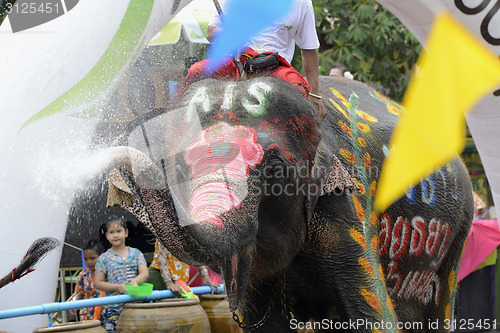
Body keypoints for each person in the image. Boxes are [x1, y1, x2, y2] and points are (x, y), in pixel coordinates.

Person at [184, 0, 326, 118]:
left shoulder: (301, 3)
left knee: (299, 90)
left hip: (274, 67)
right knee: (196, 71)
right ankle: (179, 122)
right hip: (236, 61)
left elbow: (308, 49)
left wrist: (315, 94)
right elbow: (210, 34)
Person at [95, 217, 149, 333]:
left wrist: (134, 282)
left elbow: (144, 273)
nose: (115, 235)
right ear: (107, 236)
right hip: (113, 308)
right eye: (111, 232)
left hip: (136, 305)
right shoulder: (103, 259)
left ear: (126, 233)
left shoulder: (136, 253)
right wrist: (118, 287)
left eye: (119, 231)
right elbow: (98, 283)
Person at [147, 239, 219, 294]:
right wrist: (169, 283)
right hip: (159, 277)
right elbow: (162, 258)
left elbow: (196, 253)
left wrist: (205, 276)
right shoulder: (166, 229)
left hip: (179, 280)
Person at [69, 240, 103, 321]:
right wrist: (73, 305)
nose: (89, 262)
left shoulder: (107, 273)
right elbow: (80, 294)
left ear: (101, 256)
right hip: (87, 316)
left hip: (103, 313)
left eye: (92, 258)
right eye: (86, 259)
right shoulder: (82, 275)